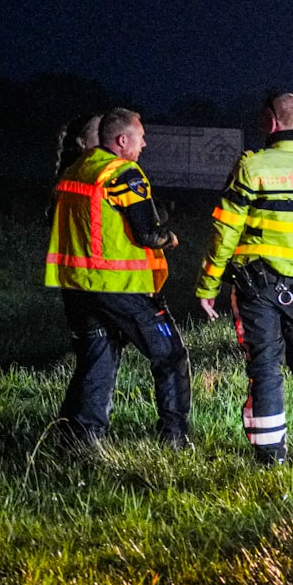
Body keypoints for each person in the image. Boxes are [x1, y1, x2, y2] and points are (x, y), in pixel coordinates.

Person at [195, 93, 293, 464]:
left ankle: (270, 458)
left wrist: (209, 285)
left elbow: (225, 232)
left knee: (265, 365)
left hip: (259, 286)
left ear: (270, 122)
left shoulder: (253, 167)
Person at [43, 106, 190, 449]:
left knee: (99, 359)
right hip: (120, 286)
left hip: (78, 287)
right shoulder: (125, 173)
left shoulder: (77, 169)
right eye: (140, 137)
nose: (145, 144)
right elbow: (146, 234)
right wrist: (169, 238)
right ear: (122, 140)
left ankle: (79, 440)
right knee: (170, 355)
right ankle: (175, 440)